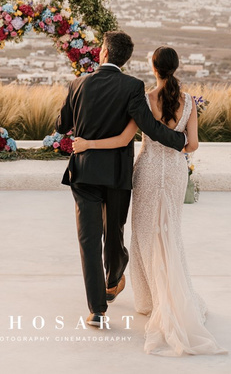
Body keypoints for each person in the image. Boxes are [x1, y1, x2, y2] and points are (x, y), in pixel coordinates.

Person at [72, 46, 228, 357]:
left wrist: (87, 143)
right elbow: (192, 145)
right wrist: (176, 142)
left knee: (143, 236)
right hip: (173, 172)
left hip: (146, 170)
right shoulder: (189, 102)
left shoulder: (144, 99)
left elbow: (122, 139)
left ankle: (151, 301)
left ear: (153, 67)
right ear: (175, 67)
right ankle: (176, 297)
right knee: (171, 234)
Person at [55, 32, 188, 329]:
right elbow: (149, 127)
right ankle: (114, 278)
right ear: (124, 58)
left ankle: (97, 310)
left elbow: (61, 124)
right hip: (116, 174)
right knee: (114, 231)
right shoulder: (132, 86)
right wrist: (179, 141)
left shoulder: (77, 84)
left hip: (84, 172)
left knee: (89, 239)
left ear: (103, 52)